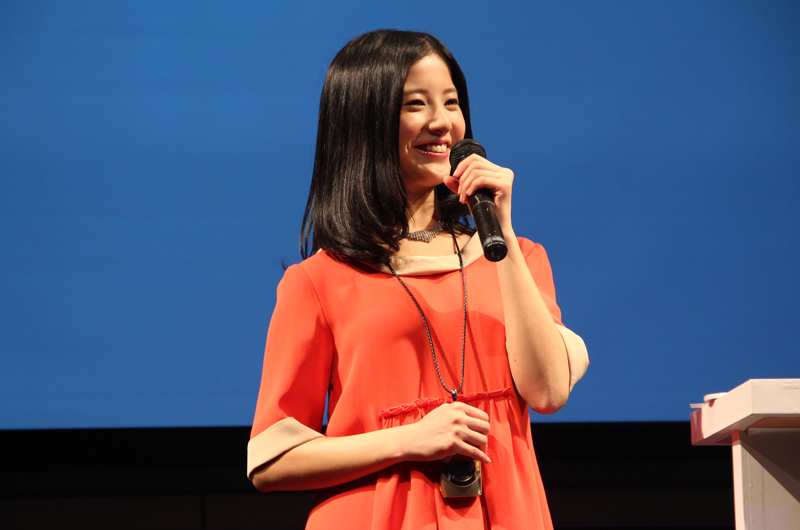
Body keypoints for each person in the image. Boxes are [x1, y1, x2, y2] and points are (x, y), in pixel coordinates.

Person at [247, 29, 588, 530]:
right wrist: (408, 440)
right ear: (364, 121)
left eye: (451, 102)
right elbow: (271, 459)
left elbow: (548, 392)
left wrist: (502, 230)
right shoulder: (320, 280)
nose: (442, 122)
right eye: (415, 104)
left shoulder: (515, 257)